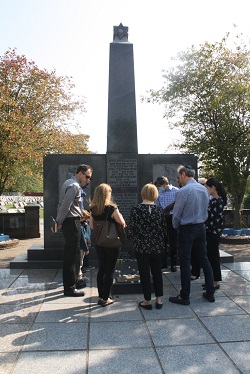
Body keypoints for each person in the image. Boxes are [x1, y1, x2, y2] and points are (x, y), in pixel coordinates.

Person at [169, 165, 215, 305]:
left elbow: (176, 215)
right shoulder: (204, 190)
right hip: (201, 227)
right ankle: (210, 292)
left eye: (178, 177)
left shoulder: (183, 191)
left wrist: (176, 227)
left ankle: (185, 296)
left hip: (187, 229)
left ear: (183, 174)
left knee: (185, 261)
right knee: (204, 259)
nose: (178, 180)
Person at [55, 164, 93, 297]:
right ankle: (70, 288)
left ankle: (74, 281)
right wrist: (59, 221)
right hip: (72, 222)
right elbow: (65, 205)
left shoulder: (68, 183)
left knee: (75, 254)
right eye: (87, 176)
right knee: (71, 256)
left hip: (71, 221)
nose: (88, 180)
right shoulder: (74, 186)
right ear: (80, 174)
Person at [127, 183, 166, 310]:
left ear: (143, 194)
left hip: (141, 246)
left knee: (144, 273)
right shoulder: (159, 210)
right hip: (157, 246)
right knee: (157, 272)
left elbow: (131, 229)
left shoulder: (136, 209)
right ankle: (159, 300)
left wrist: (129, 238)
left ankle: (147, 301)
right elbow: (164, 230)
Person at [89, 183, 126, 307]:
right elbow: (121, 222)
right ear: (106, 194)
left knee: (102, 269)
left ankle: (100, 296)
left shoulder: (93, 209)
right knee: (110, 270)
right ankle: (106, 298)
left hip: (99, 242)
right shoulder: (112, 208)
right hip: (112, 243)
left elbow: (91, 226)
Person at [203, 177, 227, 290]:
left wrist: (204, 227)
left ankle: (215, 281)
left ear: (213, 187)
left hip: (213, 232)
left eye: (207, 187)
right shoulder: (214, 200)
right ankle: (211, 279)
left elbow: (214, 220)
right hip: (211, 232)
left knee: (213, 257)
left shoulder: (218, 201)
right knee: (210, 256)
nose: (206, 189)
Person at [155, 176, 178, 272]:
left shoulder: (176, 191)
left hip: (173, 217)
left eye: (159, 186)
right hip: (163, 217)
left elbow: (179, 204)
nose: (158, 188)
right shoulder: (159, 193)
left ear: (164, 184)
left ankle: (173, 264)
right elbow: (157, 205)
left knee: (173, 242)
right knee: (162, 241)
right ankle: (163, 263)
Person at [190, 177, 208, 280]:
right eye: (200, 184)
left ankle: (208, 279)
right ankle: (195, 271)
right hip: (195, 225)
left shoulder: (207, 195)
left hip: (202, 226)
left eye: (203, 184)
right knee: (194, 251)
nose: (201, 186)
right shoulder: (193, 194)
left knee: (203, 255)